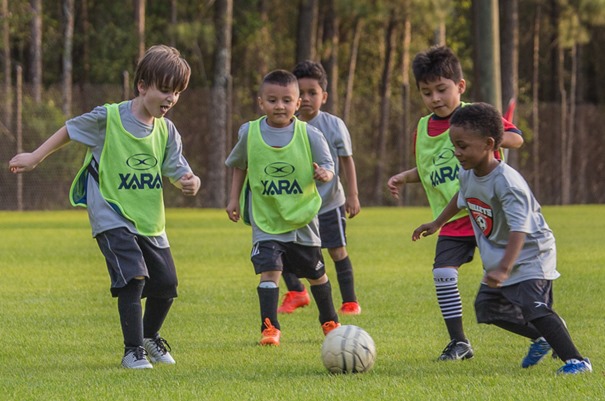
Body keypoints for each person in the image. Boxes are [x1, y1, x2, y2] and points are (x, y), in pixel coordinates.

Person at [9, 45, 201, 369]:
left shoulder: (167, 130)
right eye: (165, 90)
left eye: (177, 93)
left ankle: (149, 336)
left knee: (166, 285)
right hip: (111, 214)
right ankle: (132, 352)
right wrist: (34, 156)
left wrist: (189, 178)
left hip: (149, 220)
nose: (171, 99)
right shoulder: (108, 118)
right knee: (134, 277)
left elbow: (175, 167)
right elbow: (69, 129)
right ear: (142, 86)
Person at [412, 103, 592, 375]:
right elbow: (462, 198)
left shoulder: (507, 183)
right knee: (488, 308)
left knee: (533, 307)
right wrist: (437, 222)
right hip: (500, 252)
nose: (456, 152)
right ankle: (544, 335)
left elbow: (520, 228)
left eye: (462, 146)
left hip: (531, 252)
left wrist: (505, 268)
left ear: (488, 144)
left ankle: (577, 361)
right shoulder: (468, 171)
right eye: (454, 145)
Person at [386, 46, 524, 361]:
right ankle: (459, 342)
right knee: (442, 273)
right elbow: (430, 170)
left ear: (460, 87)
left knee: (509, 282)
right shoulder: (422, 129)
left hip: (491, 216)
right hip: (452, 219)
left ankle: (540, 327)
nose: (435, 97)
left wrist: (487, 141)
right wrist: (404, 178)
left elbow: (516, 138)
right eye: (426, 92)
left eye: (442, 89)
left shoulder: (477, 114)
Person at [225, 69, 341, 346]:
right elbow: (240, 165)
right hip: (266, 219)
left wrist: (324, 173)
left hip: (301, 219)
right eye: (273, 100)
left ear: (297, 103)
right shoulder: (249, 132)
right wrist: (233, 199)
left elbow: (329, 166)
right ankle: (270, 328)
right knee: (269, 271)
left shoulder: (309, 134)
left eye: (287, 100)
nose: (280, 106)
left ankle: (329, 320)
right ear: (261, 102)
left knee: (315, 274)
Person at [275, 60, 361, 315]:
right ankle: (298, 293)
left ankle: (350, 301)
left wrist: (353, 195)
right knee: (287, 250)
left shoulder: (334, 125)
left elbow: (347, 160)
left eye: (313, 93)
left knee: (336, 251)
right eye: (301, 93)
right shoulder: (284, 126)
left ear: (324, 95)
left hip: (329, 203)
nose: (307, 98)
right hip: (297, 206)